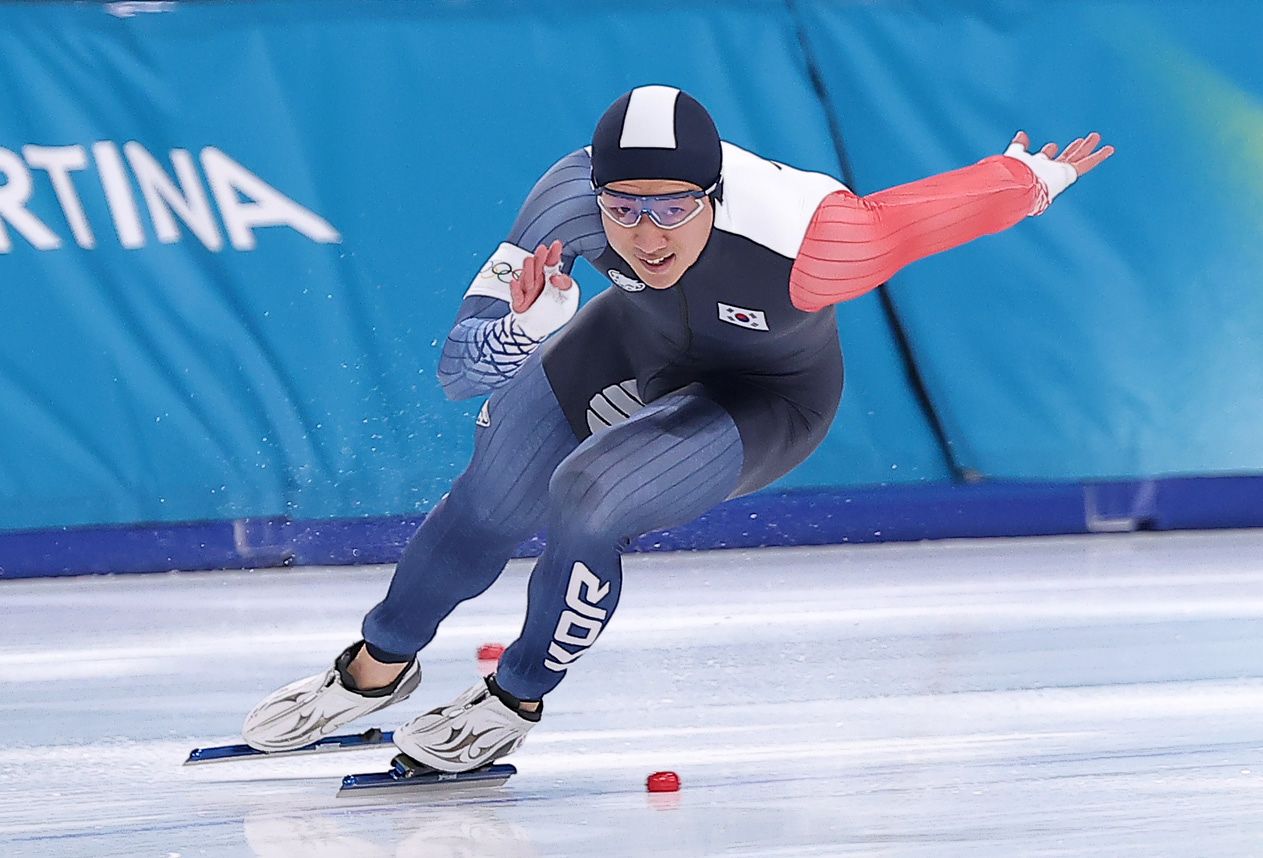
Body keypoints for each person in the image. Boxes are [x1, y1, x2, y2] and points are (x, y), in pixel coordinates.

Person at [242, 85, 1113, 772]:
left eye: (670, 209)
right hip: (626, 345)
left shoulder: (817, 239)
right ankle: (375, 666)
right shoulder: (564, 202)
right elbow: (459, 369)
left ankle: (514, 698)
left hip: (764, 395)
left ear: (715, 195)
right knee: (492, 493)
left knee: (585, 494)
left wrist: (1034, 178)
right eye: (622, 208)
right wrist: (528, 327)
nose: (644, 234)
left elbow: (937, 210)